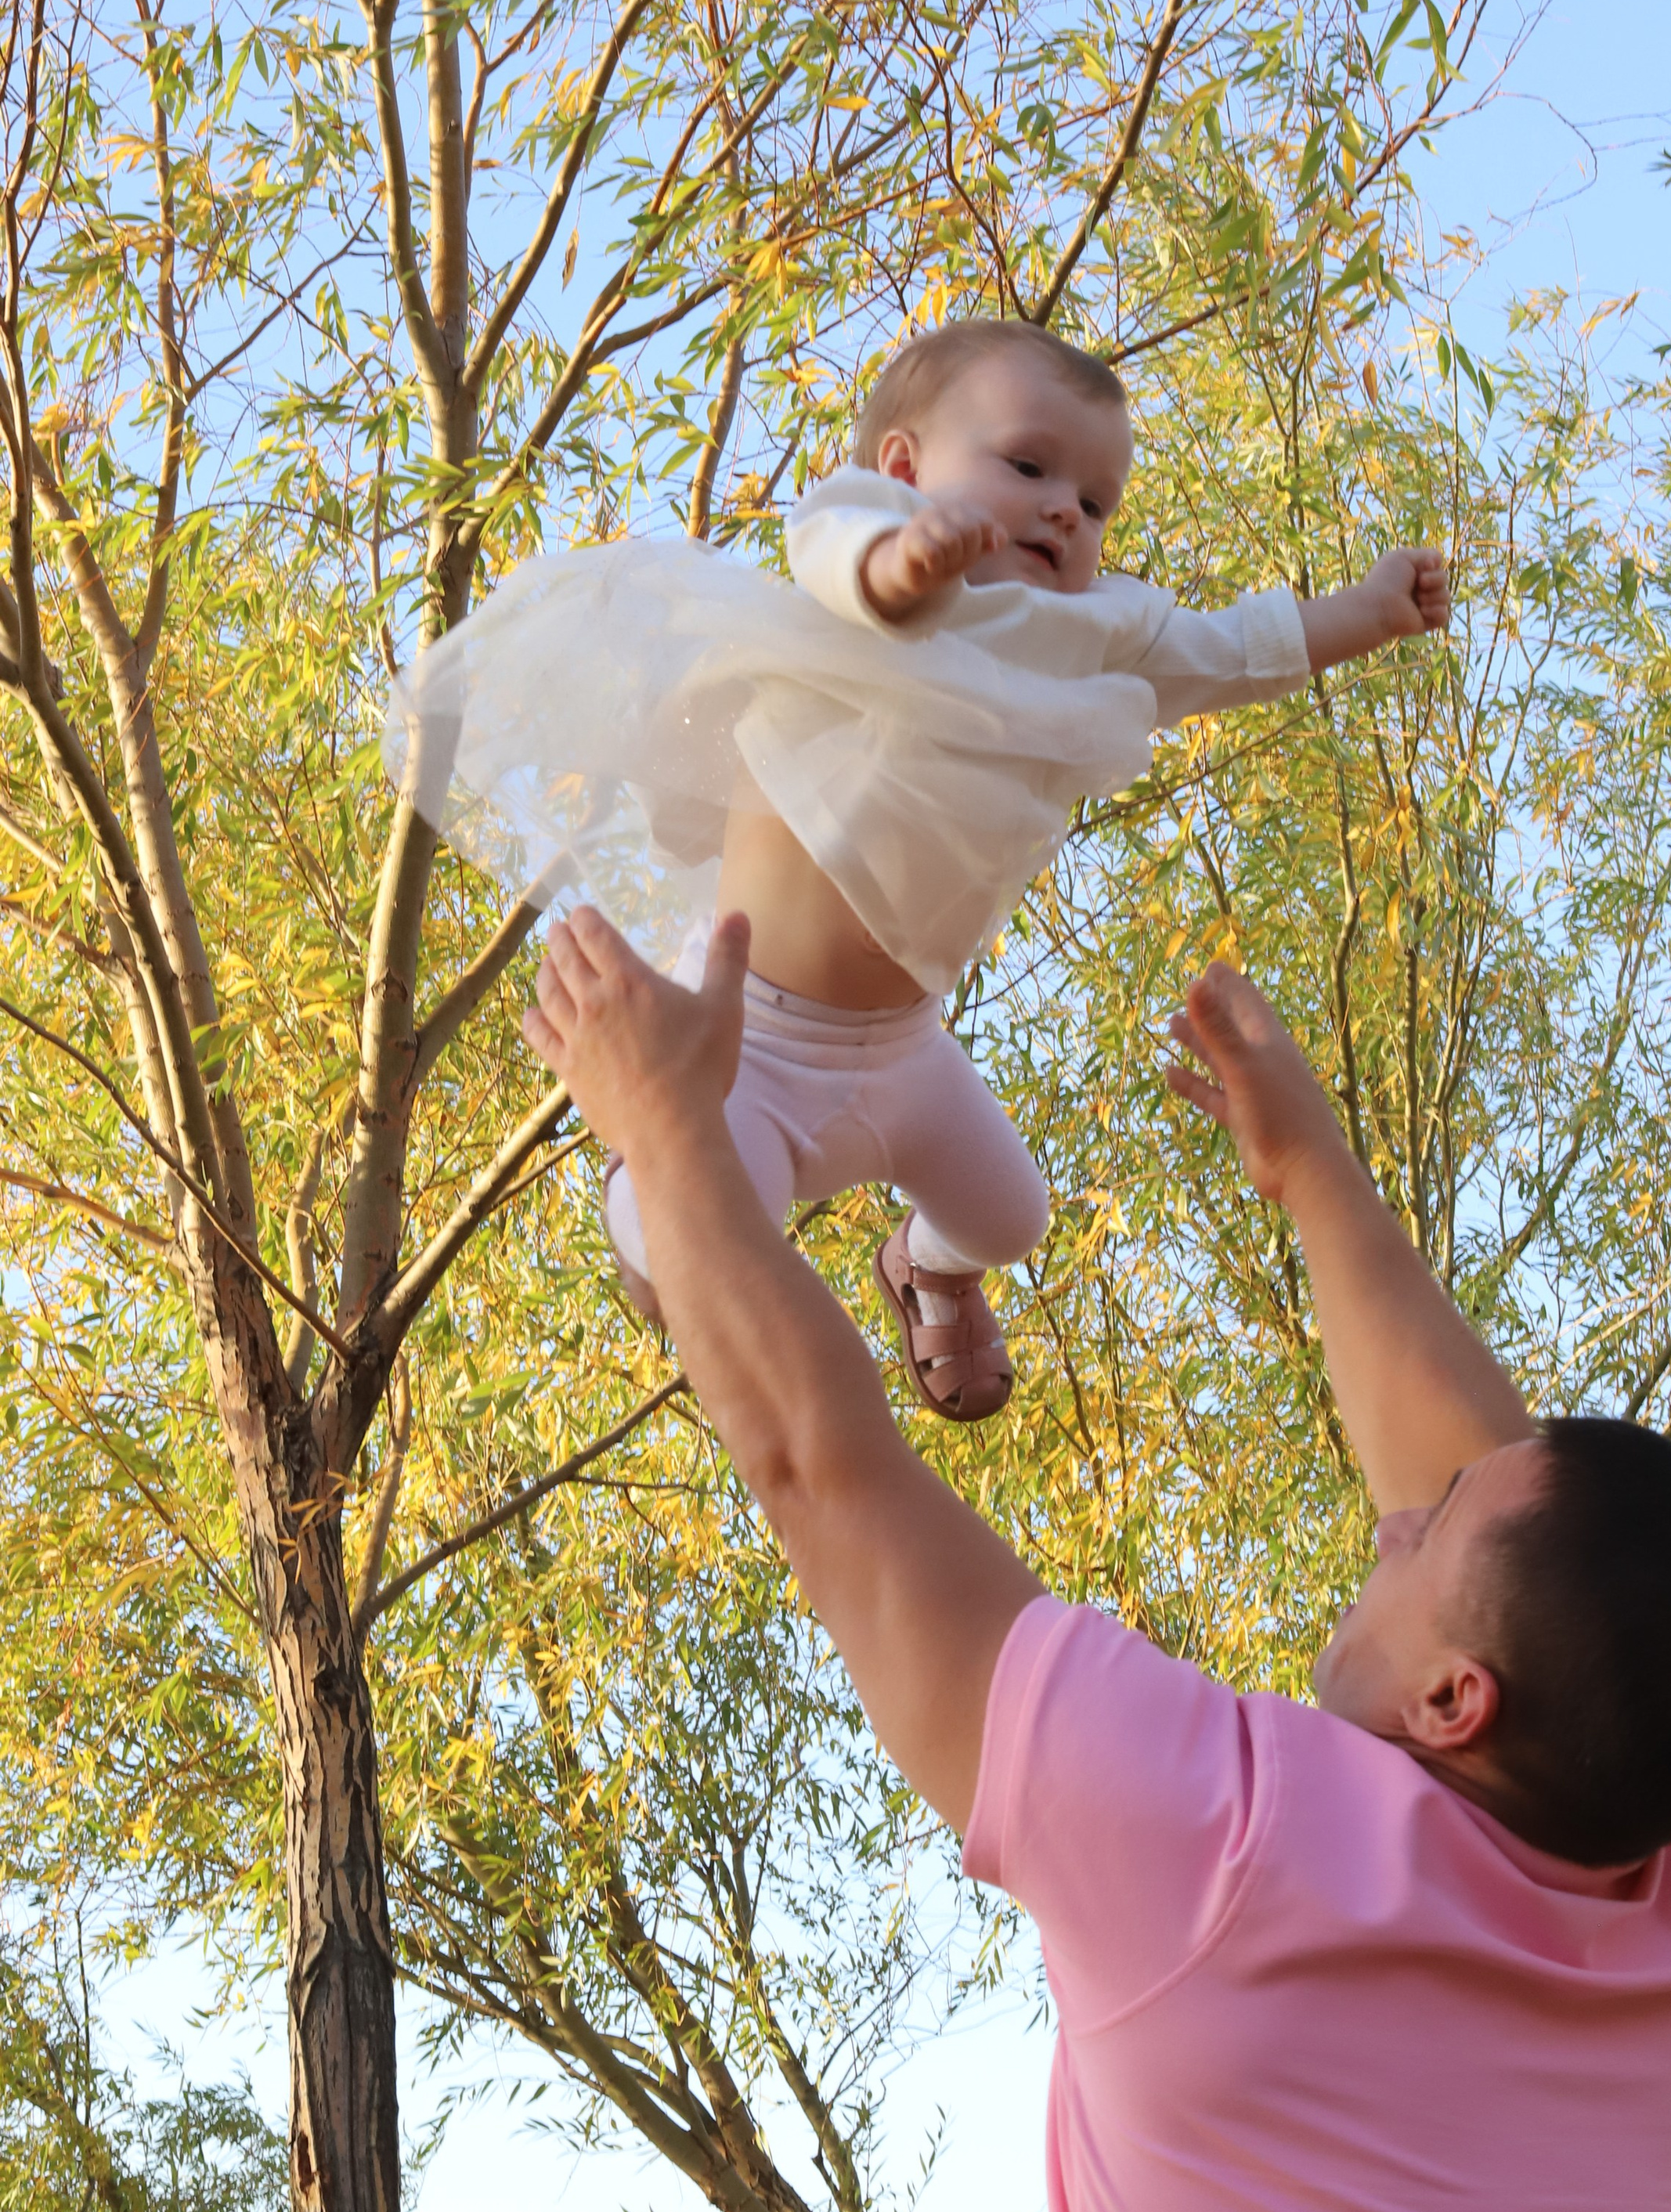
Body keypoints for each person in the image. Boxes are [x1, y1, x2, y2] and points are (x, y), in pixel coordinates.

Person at [522, 905, 1671, 2212]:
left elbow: (826, 1469)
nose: (1390, 1518)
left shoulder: (1223, 1844)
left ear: (1456, 1707)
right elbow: (1563, 1591)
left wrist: (666, 1131)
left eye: (1416, 1535)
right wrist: (1312, 1180)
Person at [386, 319, 1445, 1419]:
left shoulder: (1099, 631)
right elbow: (848, 566)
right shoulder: (867, 530)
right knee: (701, 1247)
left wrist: (1369, 613)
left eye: (1095, 502)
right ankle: (640, 1182)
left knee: (1012, 1218)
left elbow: (1233, 652)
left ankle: (927, 1267)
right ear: (904, 467)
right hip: (746, 1049)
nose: (1064, 511)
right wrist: (907, 565)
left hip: (903, 1052)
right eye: (1028, 466)